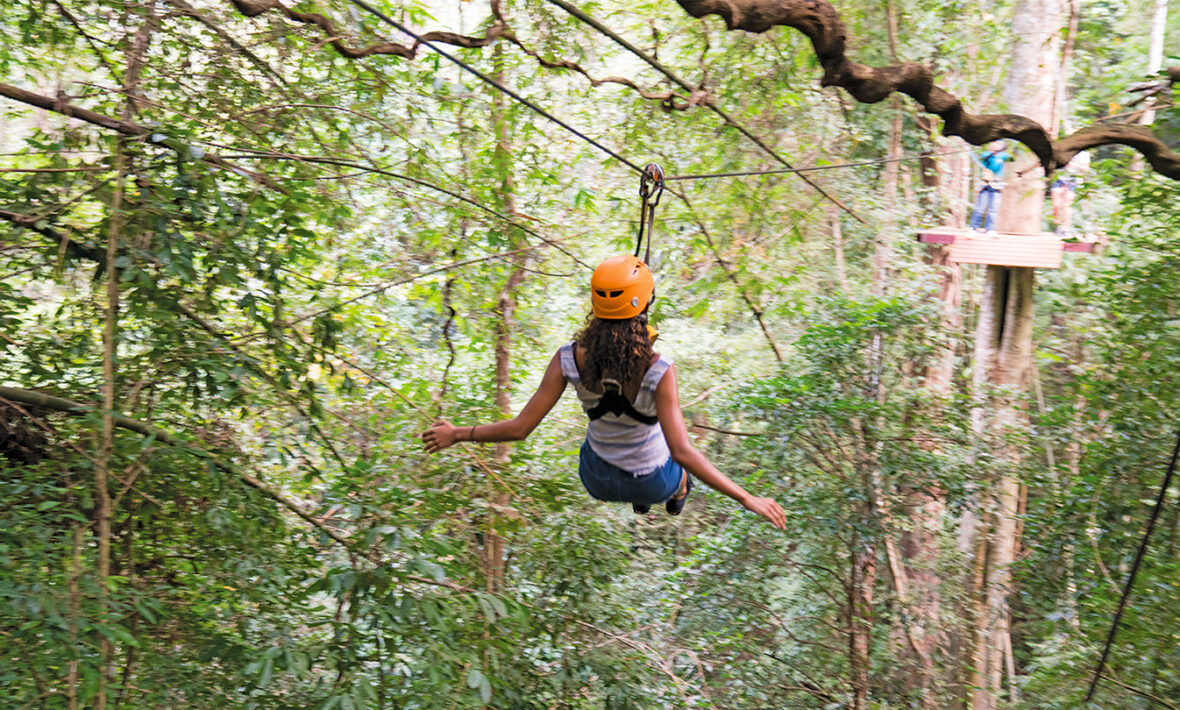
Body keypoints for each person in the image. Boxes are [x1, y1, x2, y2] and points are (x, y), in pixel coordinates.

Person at [421, 255, 786, 530]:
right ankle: (674, 495)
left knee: (597, 439)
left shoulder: (567, 358)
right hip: (655, 483)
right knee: (678, 455)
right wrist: (746, 497)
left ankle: (637, 495)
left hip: (596, 479)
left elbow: (520, 428)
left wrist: (457, 434)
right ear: (644, 304)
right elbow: (683, 451)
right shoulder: (659, 370)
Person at [968, 140, 1012, 233]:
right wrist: (993, 153)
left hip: (996, 185)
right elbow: (982, 157)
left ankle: (990, 229)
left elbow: (1011, 157)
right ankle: (973, 228)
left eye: (999, 143)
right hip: (985, 184)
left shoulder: (1002, 155)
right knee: (980, 208)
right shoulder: (986, 154)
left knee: (993, 209)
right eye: (995, 142)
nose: (996, 144)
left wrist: (1006, 148)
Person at [1050, 151, 1090, 234]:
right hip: (1060, 179)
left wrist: (1072, 164)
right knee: (1056, 204)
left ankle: (1065, 228)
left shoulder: (1084, 153)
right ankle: (1057, 223)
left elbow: (1086, 169)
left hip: (1073, 180)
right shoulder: (1066, 149)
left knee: (1066, 205)